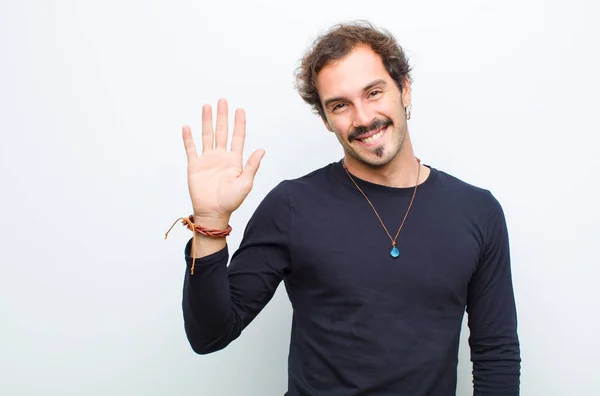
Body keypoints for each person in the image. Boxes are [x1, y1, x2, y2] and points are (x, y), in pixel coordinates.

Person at [170, 20, 521, 395]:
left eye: (373, 92)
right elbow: (210, 335)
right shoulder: (291, 206)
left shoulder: (477, 210)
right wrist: (209, 222)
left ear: (404, 89)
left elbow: (495, 353)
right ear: (325, 119)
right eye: (340, 105)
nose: (363, 118)